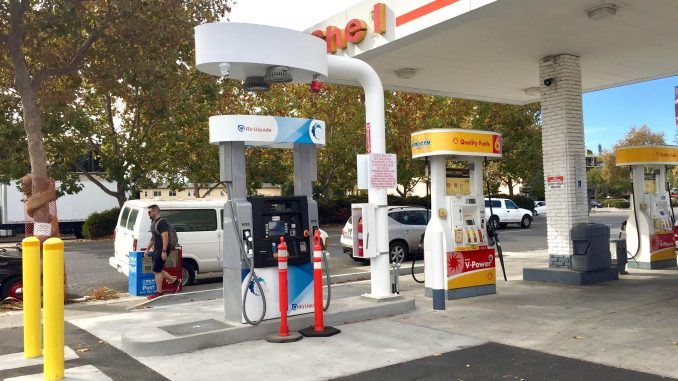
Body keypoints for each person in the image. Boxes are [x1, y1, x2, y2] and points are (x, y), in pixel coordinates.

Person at [144, 205, 180, 299]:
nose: (149, 214)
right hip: (157, 249)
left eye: (150, 212)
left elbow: (165, 236)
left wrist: (164, 251)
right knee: (156, 270)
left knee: (157, 271)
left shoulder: (162, 222)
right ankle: (175, 281)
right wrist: (147, 249)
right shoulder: (154, 222)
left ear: (156, 212)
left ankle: (159, 293)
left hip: (162, 249)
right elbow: (153, 238)